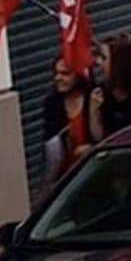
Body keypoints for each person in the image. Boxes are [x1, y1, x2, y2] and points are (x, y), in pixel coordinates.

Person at [39, 56, 93, 185]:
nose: (58, 78)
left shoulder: (95, 97)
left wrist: (91, 148)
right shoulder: (52, 103)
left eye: (65, 74)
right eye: (56, 73)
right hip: (65, 178)